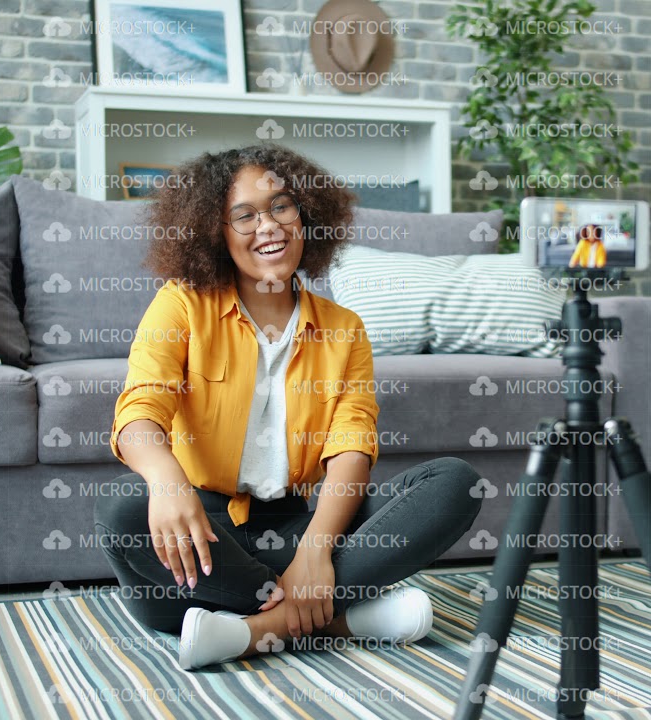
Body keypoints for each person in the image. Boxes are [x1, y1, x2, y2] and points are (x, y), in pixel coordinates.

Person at [93, 144, 484, 671]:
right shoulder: (182, 303)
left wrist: (315, 552)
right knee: (122, 508)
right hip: (204, 537)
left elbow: (352, 445)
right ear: (216, 232)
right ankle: (339, 619)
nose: (268, 226)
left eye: (280, 206)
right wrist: (166, 483)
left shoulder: (344, 329)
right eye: (244, 215)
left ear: (306, 216)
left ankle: (255, 629)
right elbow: (141, 407)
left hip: (297, 529)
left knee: (454, 483)